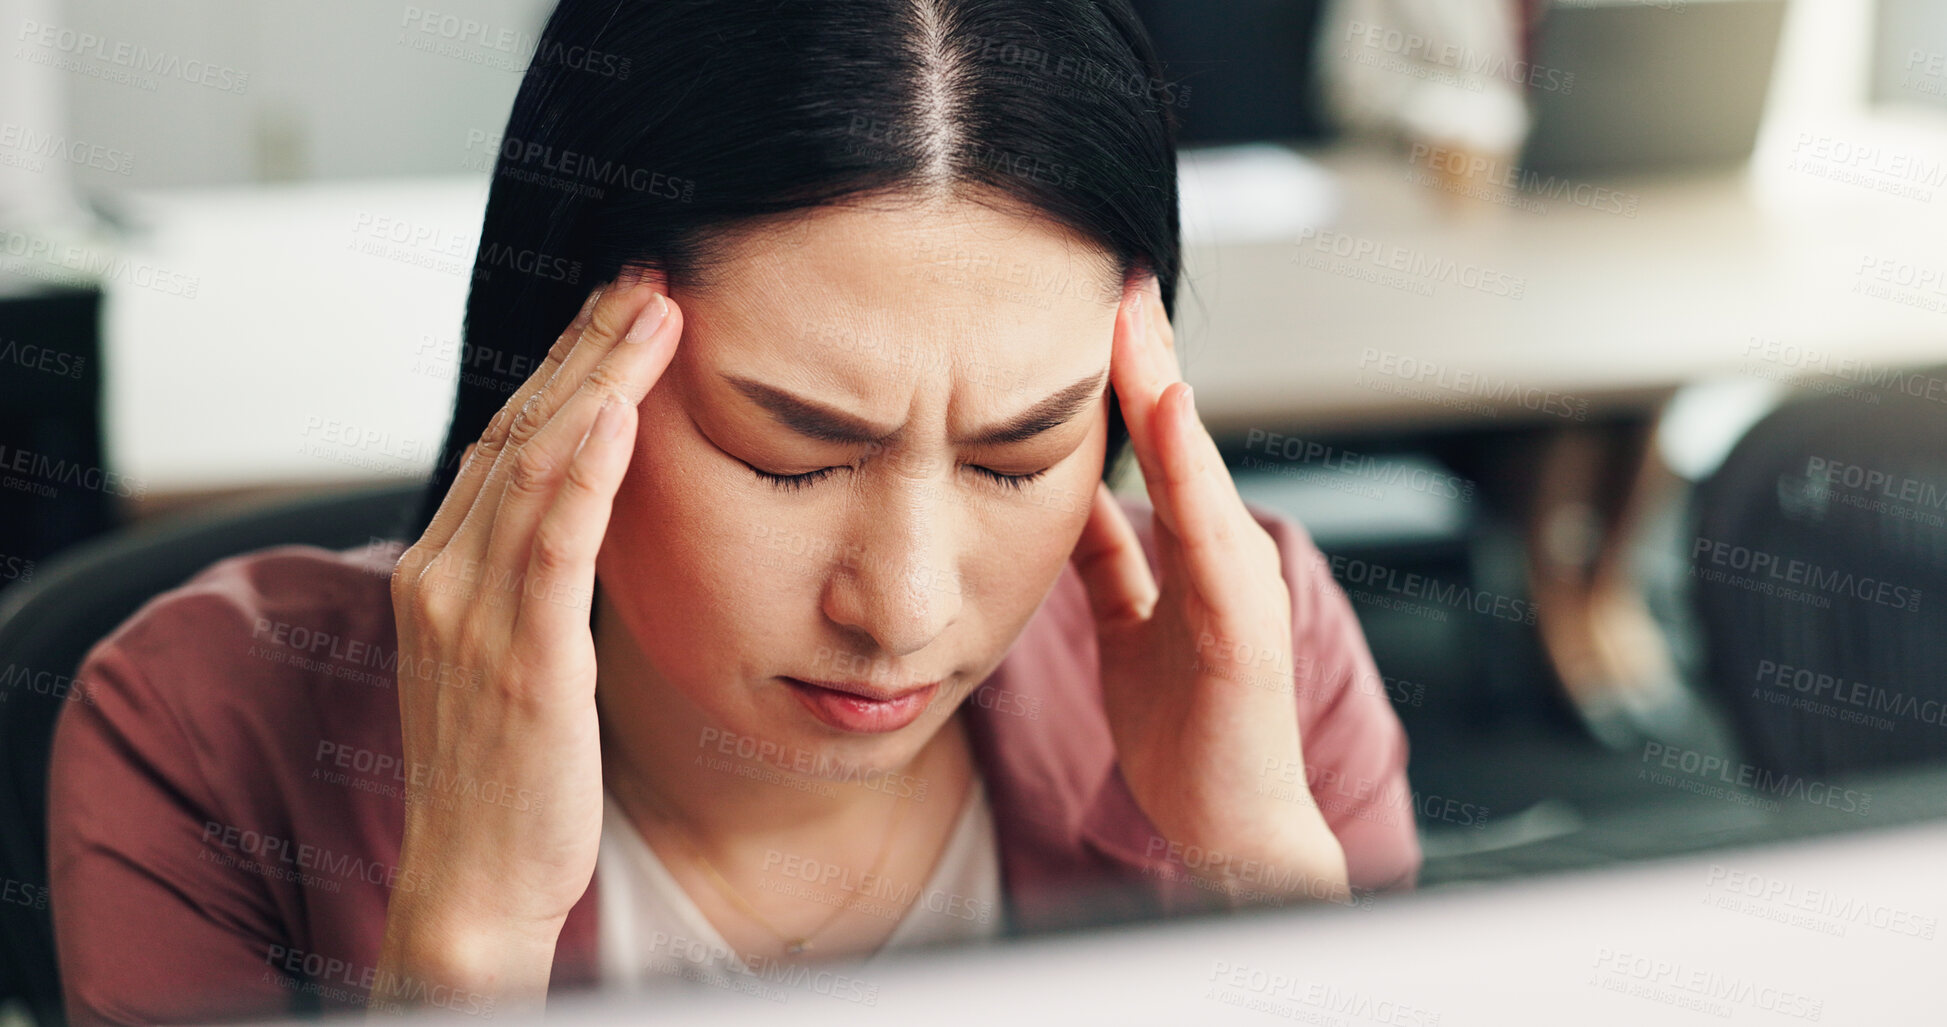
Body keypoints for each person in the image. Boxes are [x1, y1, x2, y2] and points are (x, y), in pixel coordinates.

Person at [46, 1, 1420, 1022]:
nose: (906, 607)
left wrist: (1264, 895)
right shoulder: (207, 739)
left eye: (1019, 458)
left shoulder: (1257, 662)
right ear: (559, 372)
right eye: (791, 455)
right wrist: (468, 942)